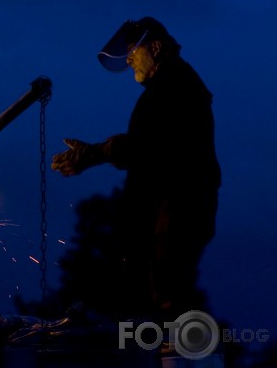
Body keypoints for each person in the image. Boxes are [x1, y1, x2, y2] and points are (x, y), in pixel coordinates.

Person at [51, 16, 221, 323]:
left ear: (155, 47)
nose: (128, 58)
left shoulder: (176, 86)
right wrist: (94, 154)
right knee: (155, 291)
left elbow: (148, 146)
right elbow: (146, 148)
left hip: (179, 205)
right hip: (172, 205)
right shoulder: (169, 86)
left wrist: (94, 154)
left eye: (134, 50)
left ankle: (178, 353)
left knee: (168, 291)